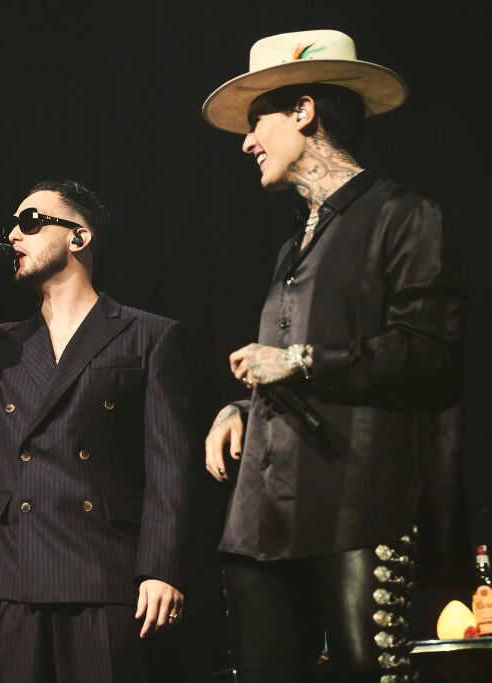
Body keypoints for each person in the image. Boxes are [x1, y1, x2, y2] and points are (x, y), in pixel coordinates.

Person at [201, 30, 467, 682]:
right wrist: (245, 406)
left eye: (257, 121)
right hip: (265, 516)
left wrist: (298, 360)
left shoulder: (403, 215)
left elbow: (430, 350)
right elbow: (298, 358)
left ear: (304, 111)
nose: (246, 142)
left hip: (358, 505)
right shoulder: (291, 246)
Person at [0, 179, 196, 682]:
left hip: (105, 573)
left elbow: (170, 465)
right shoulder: (2, 343)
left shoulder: (148, 335)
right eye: (13, 224)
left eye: (30, 222)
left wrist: (160, 568)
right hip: (13, 574)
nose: (13, 234)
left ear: (79, 237)